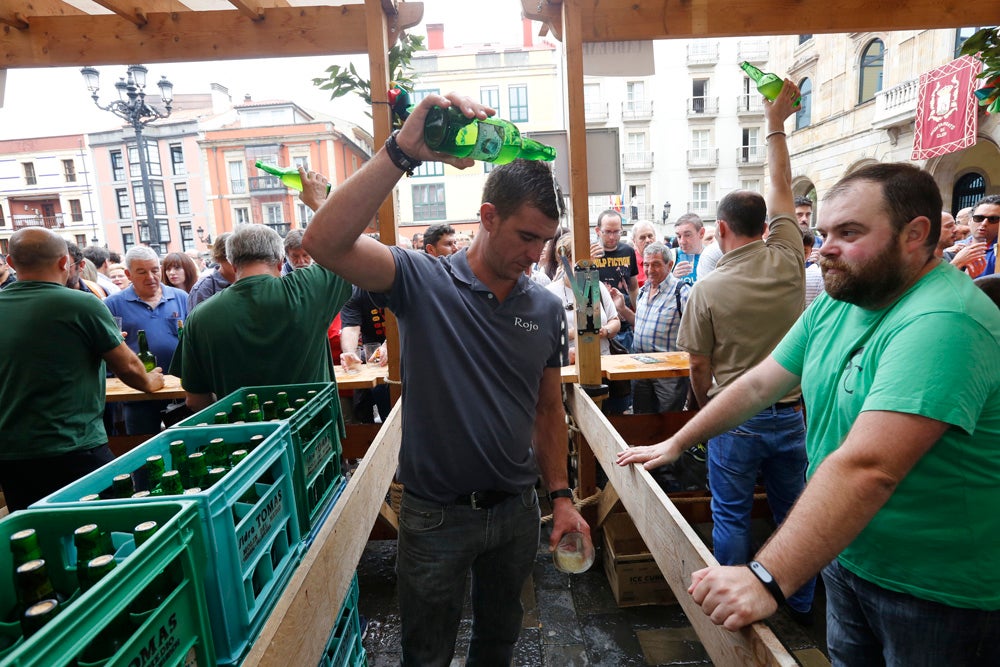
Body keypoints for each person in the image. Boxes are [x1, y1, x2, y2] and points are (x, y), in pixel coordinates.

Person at [618, 157, 1000, 664]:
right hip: (847, 557)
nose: (825, 249)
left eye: (848, 232)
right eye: (822, 233)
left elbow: (869, 467)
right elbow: (757, 384)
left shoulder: (943, 319)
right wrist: (677, 441)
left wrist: (765, 577)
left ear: (915, 234)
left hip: (934, 591)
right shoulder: (839, 302)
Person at [302, 92, 586, 666]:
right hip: (435, 515)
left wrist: (560, 497)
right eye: (526, 237)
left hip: (514, 513)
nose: (535, 256)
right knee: (426, 653)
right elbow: (323, 242)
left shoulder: (547, 307)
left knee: (498, 644)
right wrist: (403, 152)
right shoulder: (422, 279)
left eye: (544, 242)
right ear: (487, 217)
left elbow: (548, 409)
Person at [667, 81, 817, 619]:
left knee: (729, 515)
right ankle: (799, 602)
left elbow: (699, 366)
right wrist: (776, 122)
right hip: (793, 414)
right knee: (793, 514)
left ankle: (727, 610)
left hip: (737, 419)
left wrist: (704, 403)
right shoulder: (789, 259)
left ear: (721, 229)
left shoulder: (704, 289)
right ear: (769, 227)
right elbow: (779, 181)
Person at [0, 228, 164, 510]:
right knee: (103, 529)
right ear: (65, 262)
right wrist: (153, 381)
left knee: (37, 537)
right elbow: (129, 369)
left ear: (11, 264)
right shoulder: (81, 304)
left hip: (12, 454)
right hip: (75, 446)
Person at [177, 222, 351, 410]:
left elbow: (195, 400)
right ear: (281, 261)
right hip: (314, 431)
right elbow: (348, 246)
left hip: (245, 435)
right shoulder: (309, 289)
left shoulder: (199, 318)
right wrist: (318, 200)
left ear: (233, 264)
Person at [104, 246, 188, 434]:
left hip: (179, 390)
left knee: (185, 442)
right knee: (143, 446)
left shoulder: (181, 297)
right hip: (137, 393)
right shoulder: (113, 304)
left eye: (154, 270)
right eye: (142, 272)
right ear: (128, 274)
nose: (150, 277)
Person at [613, 242, 690, 413]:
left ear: (670, 265)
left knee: (670, 422)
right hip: (641, 369)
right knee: (643, 421)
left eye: (656, 264)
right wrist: (622, 309)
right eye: (646, 264)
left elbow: (695, 332)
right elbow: (639, 323)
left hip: (668, 374)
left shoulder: (681, 292)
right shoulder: (644, 289)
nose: (649, 270)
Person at [546, 232, 620, 362]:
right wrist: (577, 332)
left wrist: (605, 331)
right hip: (570, 367)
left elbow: (614, 320)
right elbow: (544, 335)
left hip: (604, 362)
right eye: (573, 258)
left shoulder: (598, 286)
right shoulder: (550, 293)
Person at [339, 286, 391, 424]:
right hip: (374, 356)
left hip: (407, 346)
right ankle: (387, 425)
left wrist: (390, 344)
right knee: (378, 389)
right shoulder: (355, 292)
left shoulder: (400, 283)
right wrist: (349, 352)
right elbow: (350, 327)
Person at [187, 232, 236, 310]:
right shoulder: (204, 288)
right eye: (231, 258)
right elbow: (196, 321)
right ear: (220, 258)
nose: (238, 263)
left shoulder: (249, 281)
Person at [672, 213, 706, 285]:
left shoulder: (713, 257)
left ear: (701, 233)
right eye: (679, 236)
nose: (682, 241)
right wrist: (671, 278)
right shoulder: (670, 256)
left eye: (687, 235)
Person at [631, 220, 657, 287]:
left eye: (650, 236)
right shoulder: (629, 263)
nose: (647, 240)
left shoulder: (664, 258)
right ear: (634, 241)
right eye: (642, 238)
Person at [802, 231, 824, 307]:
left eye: (804, 252)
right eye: (796, 250)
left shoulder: (817, 276)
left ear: (810, 252)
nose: (799, 256)